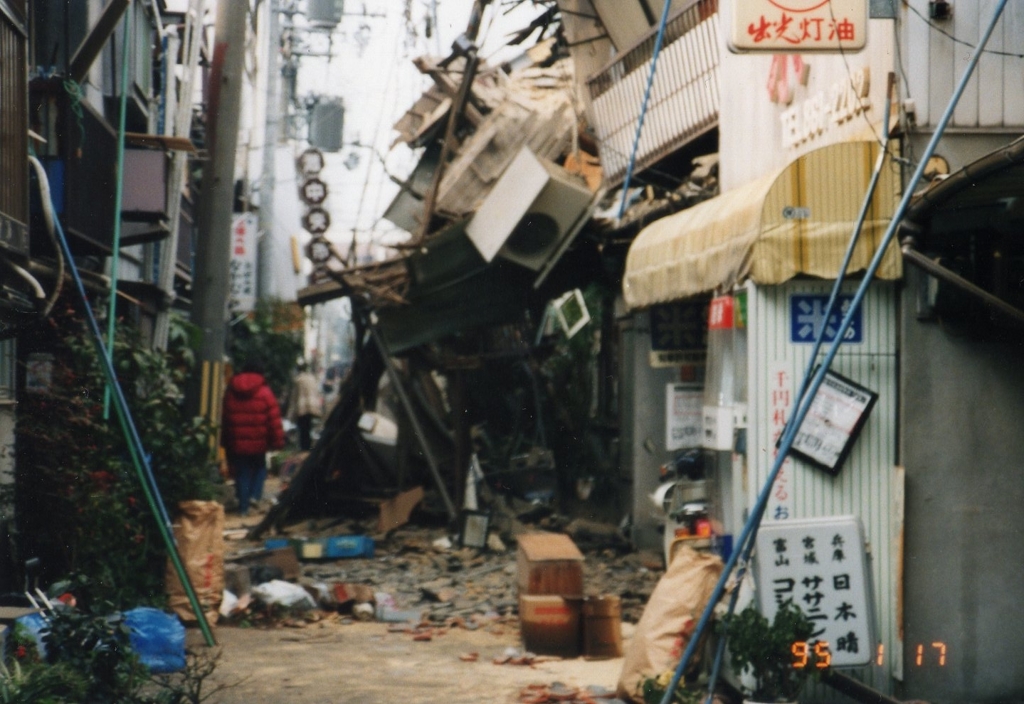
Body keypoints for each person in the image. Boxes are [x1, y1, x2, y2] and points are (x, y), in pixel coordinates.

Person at [221, 357, 285, 516]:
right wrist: (277, 441)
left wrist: (225, 440)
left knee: (242, 473)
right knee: (260, 468)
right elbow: (274, 420)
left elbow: (225, 418)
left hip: (237, 441)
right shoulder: (265, 392)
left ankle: (243, 508)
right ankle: (255, 497)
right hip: (259, 442)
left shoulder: (231, 391)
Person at [287, 361, 322, 451]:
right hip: (312, 406)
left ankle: (304, 448)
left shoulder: (298, 380)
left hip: (302, 407)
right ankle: (308, 447)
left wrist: (290, 413)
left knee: (303, 429)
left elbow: (294, 397)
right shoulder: (312, 378)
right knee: (308, 427)